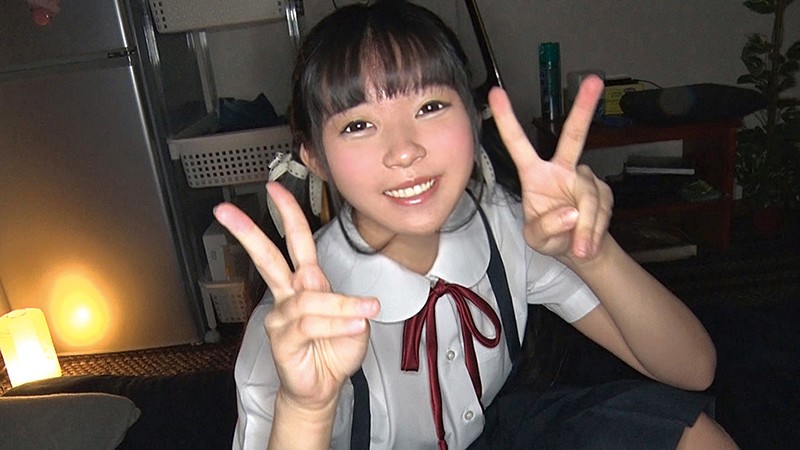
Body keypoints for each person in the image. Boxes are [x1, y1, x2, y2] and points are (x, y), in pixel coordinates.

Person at [213, 1, 738, 448]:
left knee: (687, 434)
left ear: (472, 115)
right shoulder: (293, 323)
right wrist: (306, 408)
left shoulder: (504, 226)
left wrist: (594, 255)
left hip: (490, 435)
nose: (404, 150)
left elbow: (693, 369)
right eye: (358, 124)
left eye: (430, 105)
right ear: (315, 158)